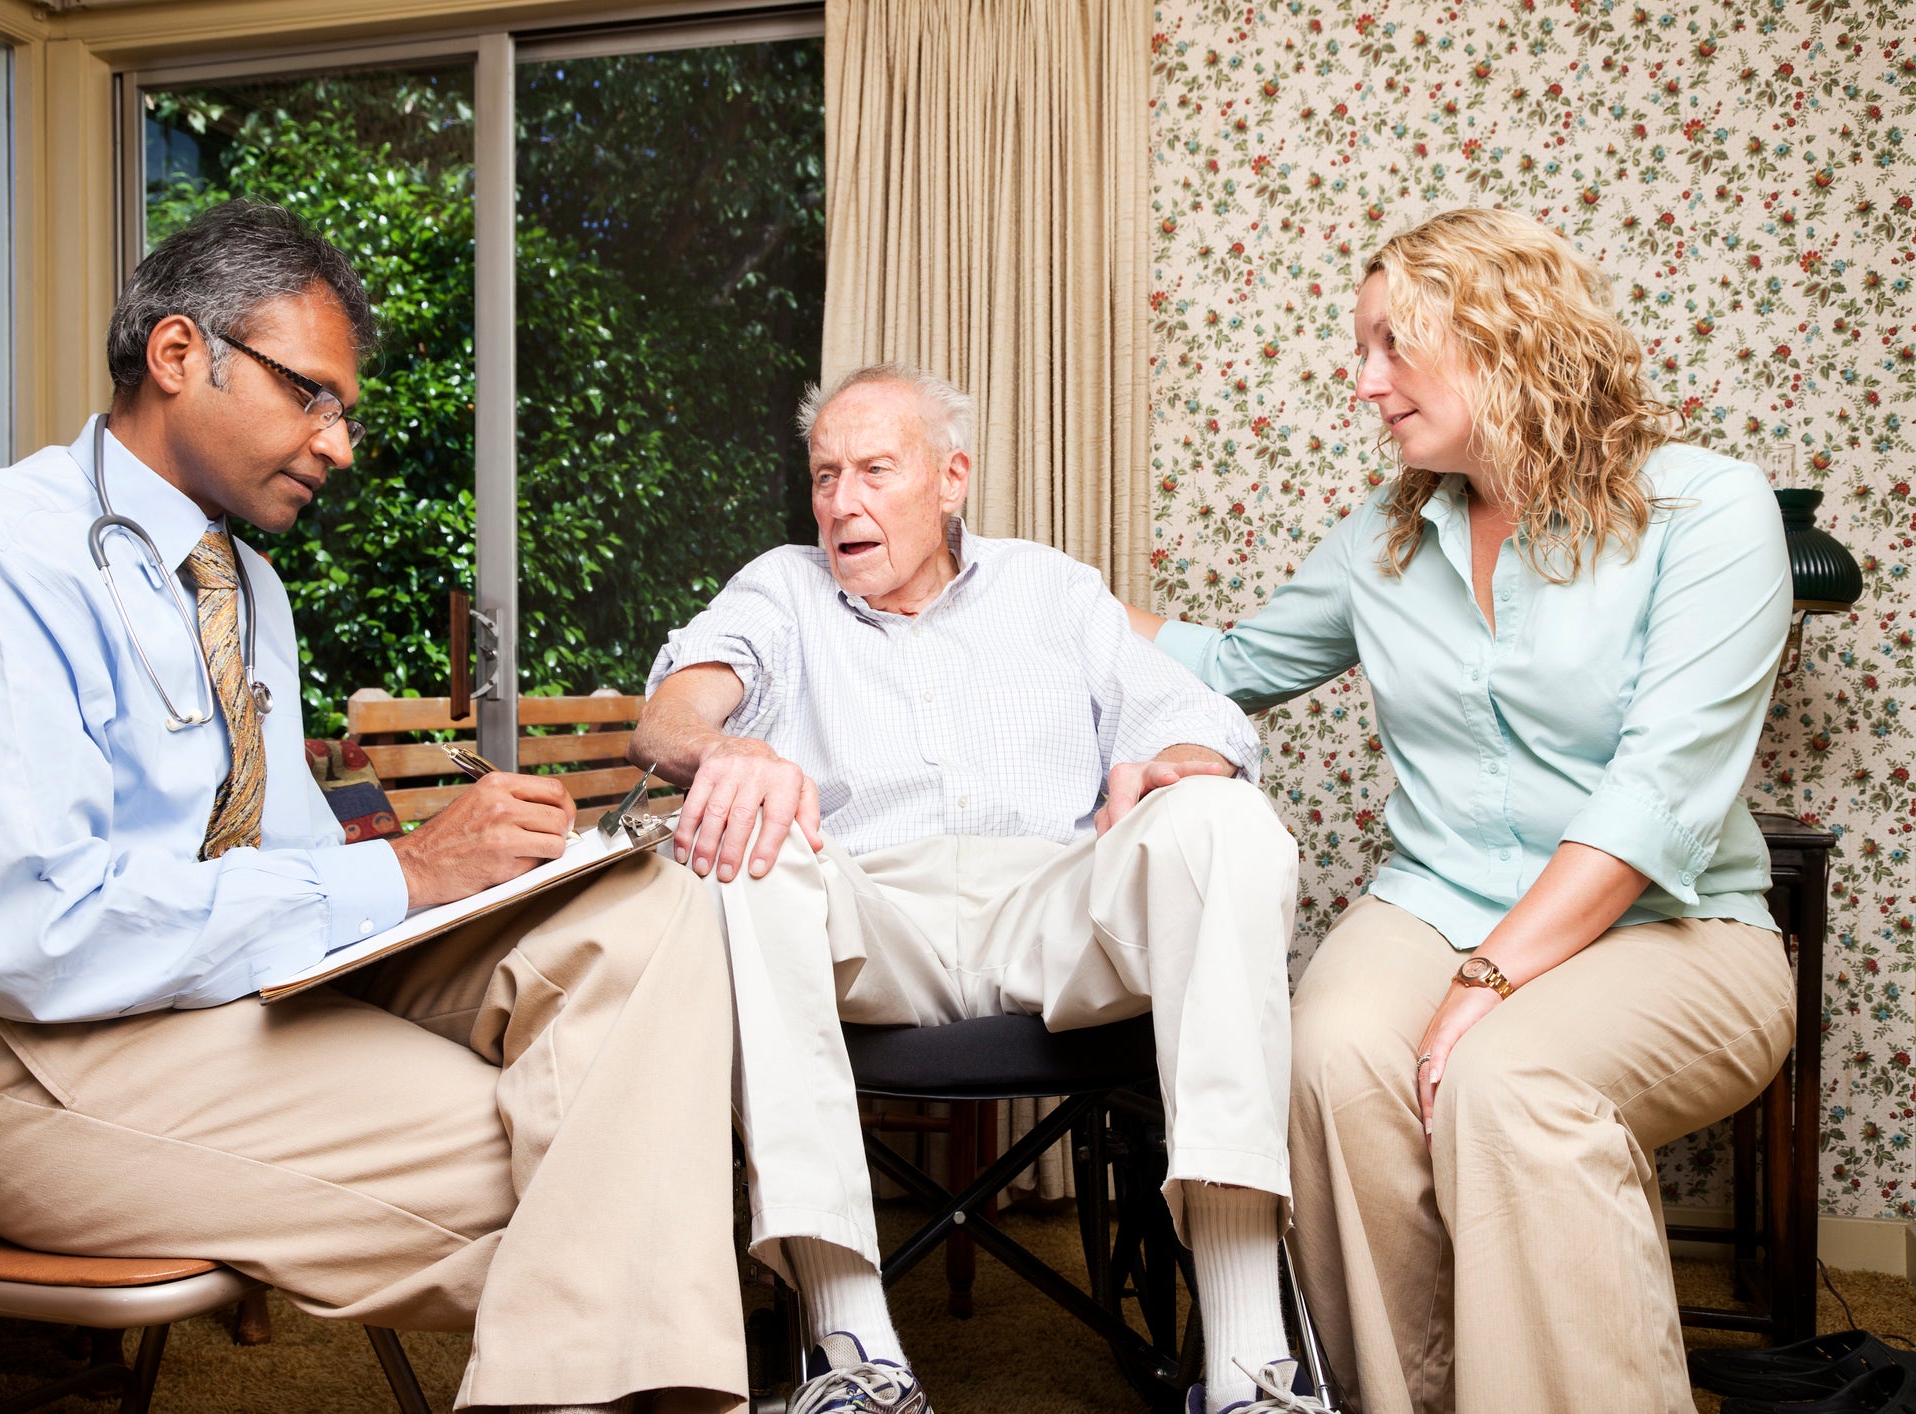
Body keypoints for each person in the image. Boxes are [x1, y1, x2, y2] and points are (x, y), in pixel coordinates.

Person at [0, 200, 743, 1414]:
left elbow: (289, 858)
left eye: (343, 411)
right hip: (37, 1052)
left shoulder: (245, 584)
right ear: (180, 355)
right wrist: (402, 875)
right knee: (605, 1146)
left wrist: (476, 872)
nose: (339, 444)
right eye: (313, 396)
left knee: (646, 914)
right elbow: (28, 936)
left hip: (239, 1003)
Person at [1130, 207, 1797, 1414]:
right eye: (1361, 350)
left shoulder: (1707, 511)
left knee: (1509, 1080)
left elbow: (1655, 800)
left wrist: (1486, 982)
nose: (1363, 382)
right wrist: (1026, 594)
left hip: (1678, 930)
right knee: (1326, 1058)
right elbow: (1223, 661)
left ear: (1501, 334)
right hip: (1437, 900)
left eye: (1391, 344)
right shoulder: (1383, 540)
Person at [632, 364, 1315, 1414]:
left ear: (950, 479)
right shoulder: (782, 588)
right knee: (743, 846)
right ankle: (851, 1347)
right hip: (869, 916)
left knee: (1221, 817)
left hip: (1048, 910)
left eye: (873, 469)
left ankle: (1250, 1367)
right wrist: (727, 751)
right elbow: (673, 714)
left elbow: (1199, 714)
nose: (841, 502)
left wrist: (1175, 755)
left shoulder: (1053, 589)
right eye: (824, 476)